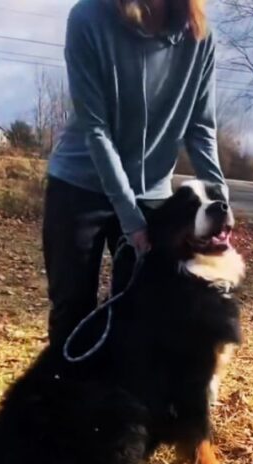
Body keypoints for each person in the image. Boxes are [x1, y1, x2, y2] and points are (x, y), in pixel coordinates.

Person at [44, 0, 228, 347]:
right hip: (79, 186)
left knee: (148, 311)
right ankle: (67, 397)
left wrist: (221, 207)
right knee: (72, 309)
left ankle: (133, 401)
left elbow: (201, 128)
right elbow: (96, 129)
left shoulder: (199, 35)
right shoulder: (88, 18)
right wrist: (131, 220)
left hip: (151, 192)